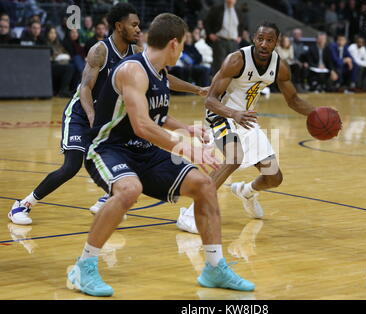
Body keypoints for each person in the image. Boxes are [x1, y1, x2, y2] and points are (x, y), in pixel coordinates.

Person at [67, 13, 254, 297]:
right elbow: (142, 125)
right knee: (129, 189)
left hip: (143, 151)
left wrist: (186, 128)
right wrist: (184, 147)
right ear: (174, 44)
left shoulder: (159, 73)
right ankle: (84, 266)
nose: (183, 49)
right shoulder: (133, 70)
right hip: (108, 148)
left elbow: (156, 118)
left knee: (204, 186)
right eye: (184, 44)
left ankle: (214, 268)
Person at [7, 3, 207, 226]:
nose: (138, 30)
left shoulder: (138, 53)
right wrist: (94, 120)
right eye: (133, 25)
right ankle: (23, 204)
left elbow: (163, 77)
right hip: (82, 114)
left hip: (108, 118)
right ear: (119, 26)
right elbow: (85, 88)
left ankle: (107, 198)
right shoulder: (100, 50)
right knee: (72, 166)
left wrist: (197, 89)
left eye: (139, 25)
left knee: (131, 155)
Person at [177, 22, 320, 235]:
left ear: (276, 42)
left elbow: (293, 100)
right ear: (254, 38)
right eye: (260, 38)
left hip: (245, 119)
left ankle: (246, 191)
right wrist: (233, 113)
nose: (264, 44)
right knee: (234, 157)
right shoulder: (236, 60)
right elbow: (210, 100)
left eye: (269, 40)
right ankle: (190, 214)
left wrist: (318, 114)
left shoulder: (279, 66)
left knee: (274, 177)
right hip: (220, 114)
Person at [204, 0, 247, 75]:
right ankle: (215, 85)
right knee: (219, 65)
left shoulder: (238, 11)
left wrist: (239, 36)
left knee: (231, 66)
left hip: (233, 42)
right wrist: (210, 34)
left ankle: (227, 86)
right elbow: (207, 22)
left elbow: (241, 25)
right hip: (220, 41)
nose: (230, 1)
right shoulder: (217, 9)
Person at [45, 26, 75, 97]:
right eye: (51, 33)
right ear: (47, 34)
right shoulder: (45, 43)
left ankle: (70, 89)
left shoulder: (58, 44)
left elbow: (66, 53)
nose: (53, 35)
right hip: (50, 65)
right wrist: (56, 57)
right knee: (69, 68)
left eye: (54, 33)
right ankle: (63, 91)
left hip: (60, 64)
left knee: (73, 66)